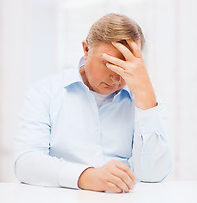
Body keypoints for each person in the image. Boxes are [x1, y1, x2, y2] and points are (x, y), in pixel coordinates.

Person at [14, 13, 172, 193]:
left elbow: (154, 175)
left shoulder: (146, 101)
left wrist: (146, 97)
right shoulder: (45, 92)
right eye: (108, 63)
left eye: (125, 65)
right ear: (86, 49)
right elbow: (25, 163)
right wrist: (86, 176)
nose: (116, 76)